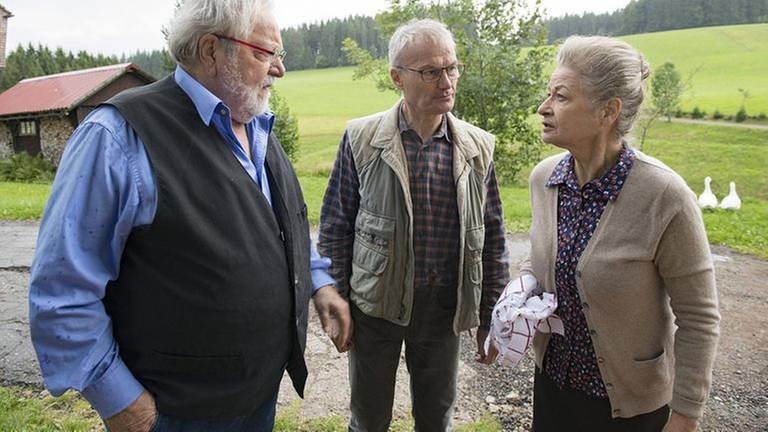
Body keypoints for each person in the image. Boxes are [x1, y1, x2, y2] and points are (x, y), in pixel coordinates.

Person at [28, 0, 350, 431]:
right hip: (173, 412)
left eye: (280, 54)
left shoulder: (258, 129)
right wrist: (120, 400)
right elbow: (61, 291)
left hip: (257, 394)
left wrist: (320, 283)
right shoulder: (117, 136)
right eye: (264, 53)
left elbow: (285, 226)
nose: (279, 70)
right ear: (210, 50)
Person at [317, 19, 509, 432]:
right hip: (376, 307)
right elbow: (335, 224)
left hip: (443, 308)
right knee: (368, 419)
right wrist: (337, 298)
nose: (447, 81)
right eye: (430, 72)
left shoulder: (478, 148)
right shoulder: (361, 138)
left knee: (436, 419)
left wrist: (491, 313)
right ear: (396, 78)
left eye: (452, 68)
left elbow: (492, 236)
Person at [522, 35, 720, 431]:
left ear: (608, 111)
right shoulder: (544, 180)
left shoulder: (665, 196)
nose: (544, 108)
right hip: (553, 391)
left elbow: (698, 317)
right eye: (548, 94)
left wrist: (684, 416)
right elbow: (540, 259)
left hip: (629, 410)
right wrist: (520, 295)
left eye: (561, 97)